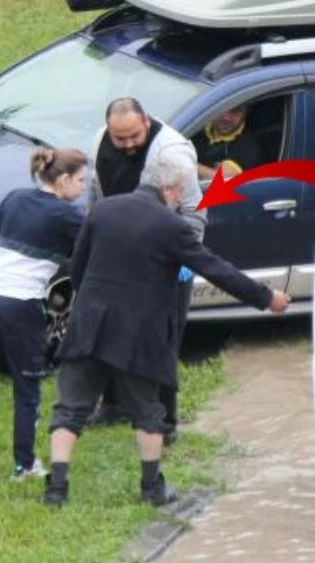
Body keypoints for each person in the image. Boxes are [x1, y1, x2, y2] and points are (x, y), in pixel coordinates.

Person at [41, 158, 290, 508]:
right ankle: (151, 488)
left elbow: (78, 267)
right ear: (170, 190)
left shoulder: (102, 210)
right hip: (137, 335)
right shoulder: (171, 226)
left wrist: (91, 306)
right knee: (148, 412)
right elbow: (215, 268)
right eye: (181, 194)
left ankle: (56, 489)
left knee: (69, 409)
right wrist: (266, 298)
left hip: (89, 325)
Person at [0, 147, 89, 480]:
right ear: (63, 179)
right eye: (81, 180)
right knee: (28, 387)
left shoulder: (15, 197)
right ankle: (24, 466)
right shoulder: (69, 217)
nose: (83, 188)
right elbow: (89, 257)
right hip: (21, 307)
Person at [86, 97, 206, 446]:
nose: (125, 145)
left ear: (147, 121)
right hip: (117, 252)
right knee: (108, 329)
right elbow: (95, 192)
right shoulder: (101, 139)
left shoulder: (171, 154)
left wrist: (184, 258)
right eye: (118, 138)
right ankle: (113, 404)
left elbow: (196, 211)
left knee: (161, 343)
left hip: (163, 257)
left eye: (133, 137)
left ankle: (165, 421)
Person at [191, 105, 266, 181]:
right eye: (220, 109)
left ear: (245, 113)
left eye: (236, 111)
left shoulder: (248, 145)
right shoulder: (196, 128)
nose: (226, 117)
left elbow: (221, 178)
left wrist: (183, 162)